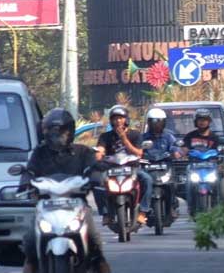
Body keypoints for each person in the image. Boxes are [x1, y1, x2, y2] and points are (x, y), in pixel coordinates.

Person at [21, 108, 111, 273]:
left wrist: (95, 176)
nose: (58, 136)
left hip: (78, 207)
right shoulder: (39, 153)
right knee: (30, 244)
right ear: (45, 132)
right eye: (53, 132)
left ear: (70, 131)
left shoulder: (83, 152)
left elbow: (94, 167)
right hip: (46, 206)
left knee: (95, 245)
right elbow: (30, 171)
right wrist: (25, 181)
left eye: (61, 131)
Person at [94, 104, 153, 225]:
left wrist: (124, 138)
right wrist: (98, 154)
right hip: (112, 169)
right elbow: (100, 149)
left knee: (147, 179)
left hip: (132, 168)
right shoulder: (105, 136)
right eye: (115, 118)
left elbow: (139, 152)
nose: (118, 121)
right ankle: (106, 213)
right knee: (97, 183)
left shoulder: (135, 135)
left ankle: (143, 211)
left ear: (126, 119)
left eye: (120, 118)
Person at [142, 107, 182, 217]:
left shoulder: (168, 136)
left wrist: (176, 152)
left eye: (160, 122)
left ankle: (172, 205)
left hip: (165, 166)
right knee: (142, 184)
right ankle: (142, 209)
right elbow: (137, 149)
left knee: (172, 184)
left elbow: (175, 147)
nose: (157, 125)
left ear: (164, 123)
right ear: (149, 122)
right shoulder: (143, 137)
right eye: (154, 122)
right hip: (148, 166)